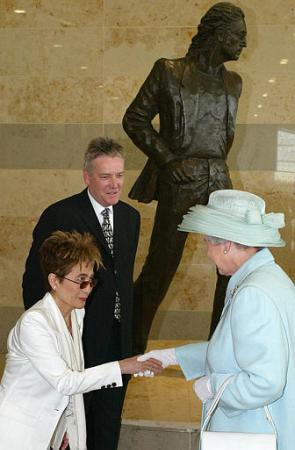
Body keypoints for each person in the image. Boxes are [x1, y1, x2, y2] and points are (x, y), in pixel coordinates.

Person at [122, 2, 247, 354]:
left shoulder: (234, 83)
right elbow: (135, 119)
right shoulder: (168, 71)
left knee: (234, 266)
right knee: (160, 269)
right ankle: (128, 351)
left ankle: (220, 351)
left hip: (218, 180)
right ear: (219, 35)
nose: (244, 44)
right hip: (180, 179)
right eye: (239, 35)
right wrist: (168, 160)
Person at [139, 189, 295, 450]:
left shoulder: (253, 293)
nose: (207, 252)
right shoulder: (268, 278)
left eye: (207, 243)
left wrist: (212, 386)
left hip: (250, 433)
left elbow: (266, 381)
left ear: (226, 245)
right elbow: (235, 349)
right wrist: (173, 356)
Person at [22, 137, 141, 450]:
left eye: (119, 175)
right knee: (74, 424)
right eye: (106, 177)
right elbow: (34, 282)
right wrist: (51, 334)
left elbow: (121, 279)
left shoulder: (131, 218)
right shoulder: (60, 215)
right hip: (77, 339)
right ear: (87, 176)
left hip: (117, 338)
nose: (115, 184)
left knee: (107, 421)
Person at [0, 231, 162, 450]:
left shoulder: (76, 314)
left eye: (90, 281)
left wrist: (65, 424)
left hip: (47, 430)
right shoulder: (34, 323)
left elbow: (73, 374)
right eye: (80, 281)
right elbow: (66, 381)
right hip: (17, 432)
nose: (87, 289)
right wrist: (123, 366)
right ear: (54, 280)